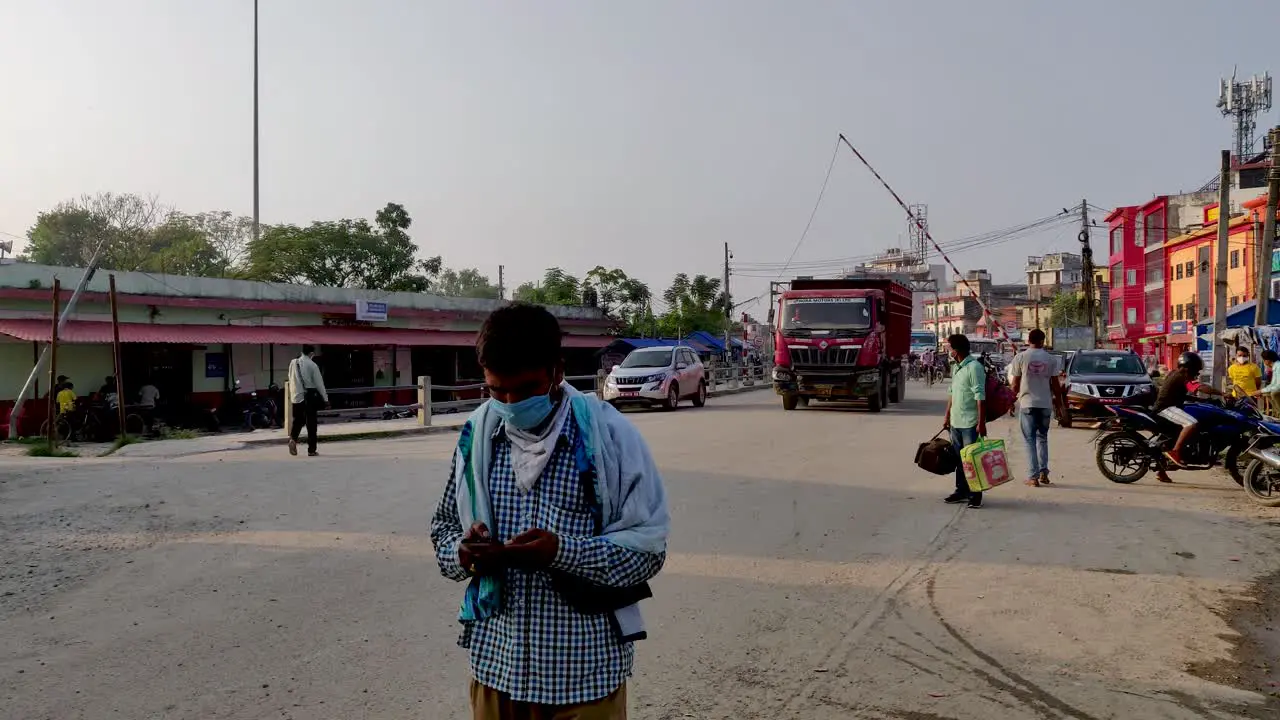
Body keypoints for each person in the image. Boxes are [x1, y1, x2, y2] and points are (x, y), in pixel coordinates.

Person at [430, 303, 669, 720]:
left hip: (584, 678)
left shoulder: (610, 440)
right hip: (496, 671)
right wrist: (463, 554)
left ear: (557, 371)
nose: (508, 403)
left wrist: (561, 553)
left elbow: (648, 554)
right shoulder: (477, 437)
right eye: (495, 390)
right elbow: (444, 529)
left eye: (524, 389)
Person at [1153, 351, 1224, 479]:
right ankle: (1175, 452)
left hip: (1171, 406)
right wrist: (1222, 393)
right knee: (1191, 423)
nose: (1197, 373)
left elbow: (1181, 395)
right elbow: (1200, 388)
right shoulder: (1183, 376)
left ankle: (1161, 471)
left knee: (1175, 435)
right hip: (1165, 409)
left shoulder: (1176, 374)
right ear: (1188, 368)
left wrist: (1204, 401)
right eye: (1195, 370)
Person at [1009, 329, 1062, 487]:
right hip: (1045, 404)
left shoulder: (1020, 357)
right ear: (1043, 341)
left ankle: (1033, 477)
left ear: (1028, 340)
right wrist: (1058, 404)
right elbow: (1056, 385)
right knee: (1043, 438)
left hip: (1027, 403)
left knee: (1030, 440)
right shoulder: (1051, 359)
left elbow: (1015, 384)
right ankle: (1044, 473)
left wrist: (1011, 402)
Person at [942, 333, 987, 509]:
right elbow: (952, 394)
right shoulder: (956, 367)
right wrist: (946, 416)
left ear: (957, 349)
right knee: (959, 460)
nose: (948, 351)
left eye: (950, 347)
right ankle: (961, 490)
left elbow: (980, 397)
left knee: (972, 460)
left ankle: (975, 494)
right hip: (955, 422)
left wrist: (981, 423)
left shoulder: (974, 367)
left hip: (970, 423)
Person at [287, 345, 329, 457]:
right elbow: (319, 384)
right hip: (309, 396)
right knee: (311, 424)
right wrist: (325, 399)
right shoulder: (312, 365)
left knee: (297, 421)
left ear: (302, 352)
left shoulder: (293, 362)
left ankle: (293, 439)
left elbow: (290, 378)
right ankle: (311, 450)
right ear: (312, 353)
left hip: (296, 396)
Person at [1251, 349, 1280, 414]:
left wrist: (1260, 391)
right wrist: (1261, 392)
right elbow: (1273, 384)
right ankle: (1277, 413)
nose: (1264, 362)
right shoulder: (1275, 367)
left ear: (1268, 360)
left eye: (1264, 360)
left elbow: (1278, 386)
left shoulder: (1278, 367)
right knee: (1266, 393)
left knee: (1274, 393)